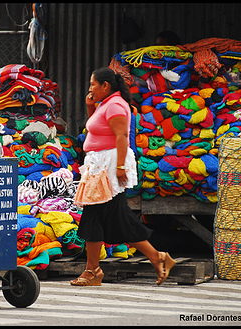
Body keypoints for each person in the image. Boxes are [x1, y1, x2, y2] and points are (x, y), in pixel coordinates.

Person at [71, 67, 175, 286]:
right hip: (99, 164)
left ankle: (94, 271)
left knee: (102, 216)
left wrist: (119, 167)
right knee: (106, 216)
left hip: (109, 166)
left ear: (105, 86)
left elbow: (121, 136)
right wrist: (91, 108)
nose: (90, 88)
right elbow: (98, 131)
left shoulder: (116, 105)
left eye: (92, 84)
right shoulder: (105, 104)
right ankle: (156, 258)